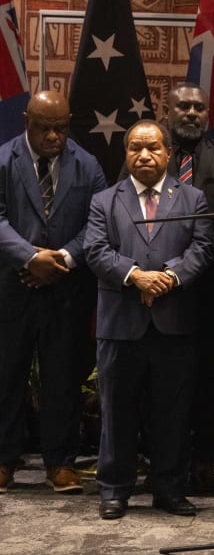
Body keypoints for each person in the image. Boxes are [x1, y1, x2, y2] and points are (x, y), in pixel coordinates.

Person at [84, 120, 214, 519]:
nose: (144, 155)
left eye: (153, 148)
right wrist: (135, 275)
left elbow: (203, 247)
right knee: (117, 411)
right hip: (121, 326)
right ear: (126, 154)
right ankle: (115, 489)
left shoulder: (193, 198)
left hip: (174, 324)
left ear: (168, 153)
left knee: (172, 413)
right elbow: (95, 250)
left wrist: (169, 277)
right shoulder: (105, 200)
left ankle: (169, 489)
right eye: (135, 148)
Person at [0, 91, 107, 495]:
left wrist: (60, 258)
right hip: (12, 287)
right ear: (27, 120)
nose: (52, 136)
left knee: (62, 377)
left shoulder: (88, 165)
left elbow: (97, 223)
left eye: (60, 128)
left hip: (65, 288)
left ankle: (59, 462)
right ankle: (4, 459)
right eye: (43, 127)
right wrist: (29, 258)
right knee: (6, 374)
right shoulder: (3, 159)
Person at [157, 82, 214, 493]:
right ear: (167, 111)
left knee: (206, 380)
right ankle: (161, 462)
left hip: (207, 291)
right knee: (159, 382)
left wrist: (187, 268)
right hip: (155, 292)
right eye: (183, 106)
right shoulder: (148, 154)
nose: (191, 114)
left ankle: (203, 464)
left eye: (199, 108)